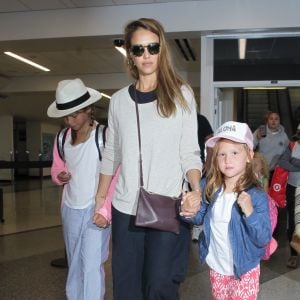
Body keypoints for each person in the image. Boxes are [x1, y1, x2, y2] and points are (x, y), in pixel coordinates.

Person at [94, 18, 202, 300]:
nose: (146, 55)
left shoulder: (182, 95)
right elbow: (112, 153)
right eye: (138, 49)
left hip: (165, 204)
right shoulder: (118, 101)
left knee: (159, 284)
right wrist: (99, 199)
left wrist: (197, 191)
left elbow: (189, 151)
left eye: (152, 47)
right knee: (127, 286)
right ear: (129, 54)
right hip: (125, 207)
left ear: (161, 49)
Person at [181, 121, 271, 299]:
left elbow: (263, 238)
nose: (227, 159)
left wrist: (250, 212)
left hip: (245, 268)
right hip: (217, 266)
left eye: (235, 153)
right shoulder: (210, 188)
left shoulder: (256, 196)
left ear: (249, 156)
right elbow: (199, 217)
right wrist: (188, 210)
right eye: (221, 154)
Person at [47, 78, 111, 300]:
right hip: (70, 209)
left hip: (96, 209)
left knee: (92, 265)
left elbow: (114, 177)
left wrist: (105, 211)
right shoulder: (62, 138)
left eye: (75, 114)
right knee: (74, 262)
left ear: (89, 109)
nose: (70, 120)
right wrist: (59, 176)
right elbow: (56, 168)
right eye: (66, 116)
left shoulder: (104, 136)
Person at [278, 131, 300, 268]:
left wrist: (295, 162)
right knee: (292, 220)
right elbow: (283, 162)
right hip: (292, 187)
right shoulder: (292, 145)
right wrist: (297, 167)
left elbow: (291, 161)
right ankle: (293, 254)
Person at [192, 113, 213, 242]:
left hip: (198, 164)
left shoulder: (201, 119)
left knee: (200, 194)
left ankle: (197, 226)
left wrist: (208, 162)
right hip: (176, 165)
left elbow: (210, 142)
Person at [253, 111, 289, 179]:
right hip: (261, 170)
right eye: (271, 118)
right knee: (261, 189)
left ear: (279, 121)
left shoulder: (284, 135)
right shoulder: (261, 131)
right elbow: (249, 146)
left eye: (276, 119)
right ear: (267, 120)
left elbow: (287, 153)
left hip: (276, 172)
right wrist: (257, 138)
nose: (273, 121)